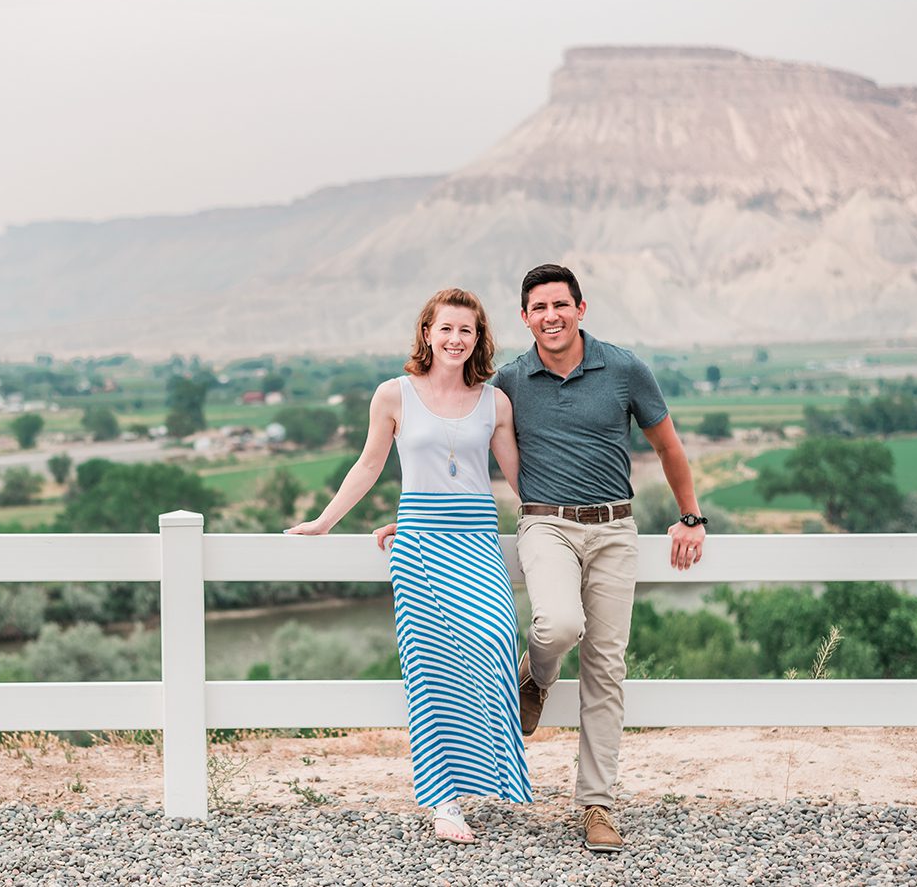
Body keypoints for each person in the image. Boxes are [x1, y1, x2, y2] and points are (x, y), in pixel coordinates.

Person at [376, 264, 706, 854]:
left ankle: (597, 804)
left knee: (606, 665)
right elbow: (455, 440)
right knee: (557, 624)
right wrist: (415, 514)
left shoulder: (625, 369)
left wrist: (689, 516)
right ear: (525, 318)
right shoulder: (507, 384)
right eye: (538, 308)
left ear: (581, 308)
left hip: (615, 528)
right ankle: (537, 674)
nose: (550, 316)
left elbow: (668, 444)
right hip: (546, 523)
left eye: (561, 304)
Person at [286, 288, 532, 844]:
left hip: (476, 542)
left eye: (466, 331)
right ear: (427, 332)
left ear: (478, 338)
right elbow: (369, 464)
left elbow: (520, 480)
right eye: (445, 329)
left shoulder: (495, 402)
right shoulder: (393, 395)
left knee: (493, 644)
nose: (455, 339)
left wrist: (561, 523)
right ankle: (444, 803)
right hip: (419, 544)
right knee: (429, 671)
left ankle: (488, 775)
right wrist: (324, 522)